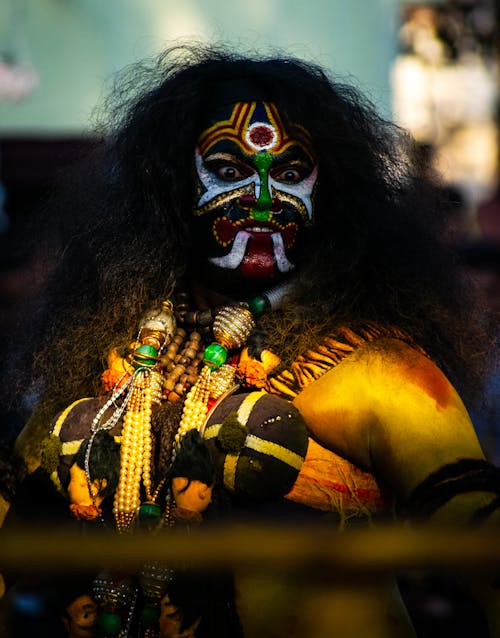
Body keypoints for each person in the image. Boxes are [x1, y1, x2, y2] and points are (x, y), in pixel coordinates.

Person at [0, 45, 499, 637]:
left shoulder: (379, 369)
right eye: (230, 171)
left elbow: (480, 539)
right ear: (168, 190)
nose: (263, 199)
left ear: (333, 195)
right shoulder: (112, 368)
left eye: (290, 175)